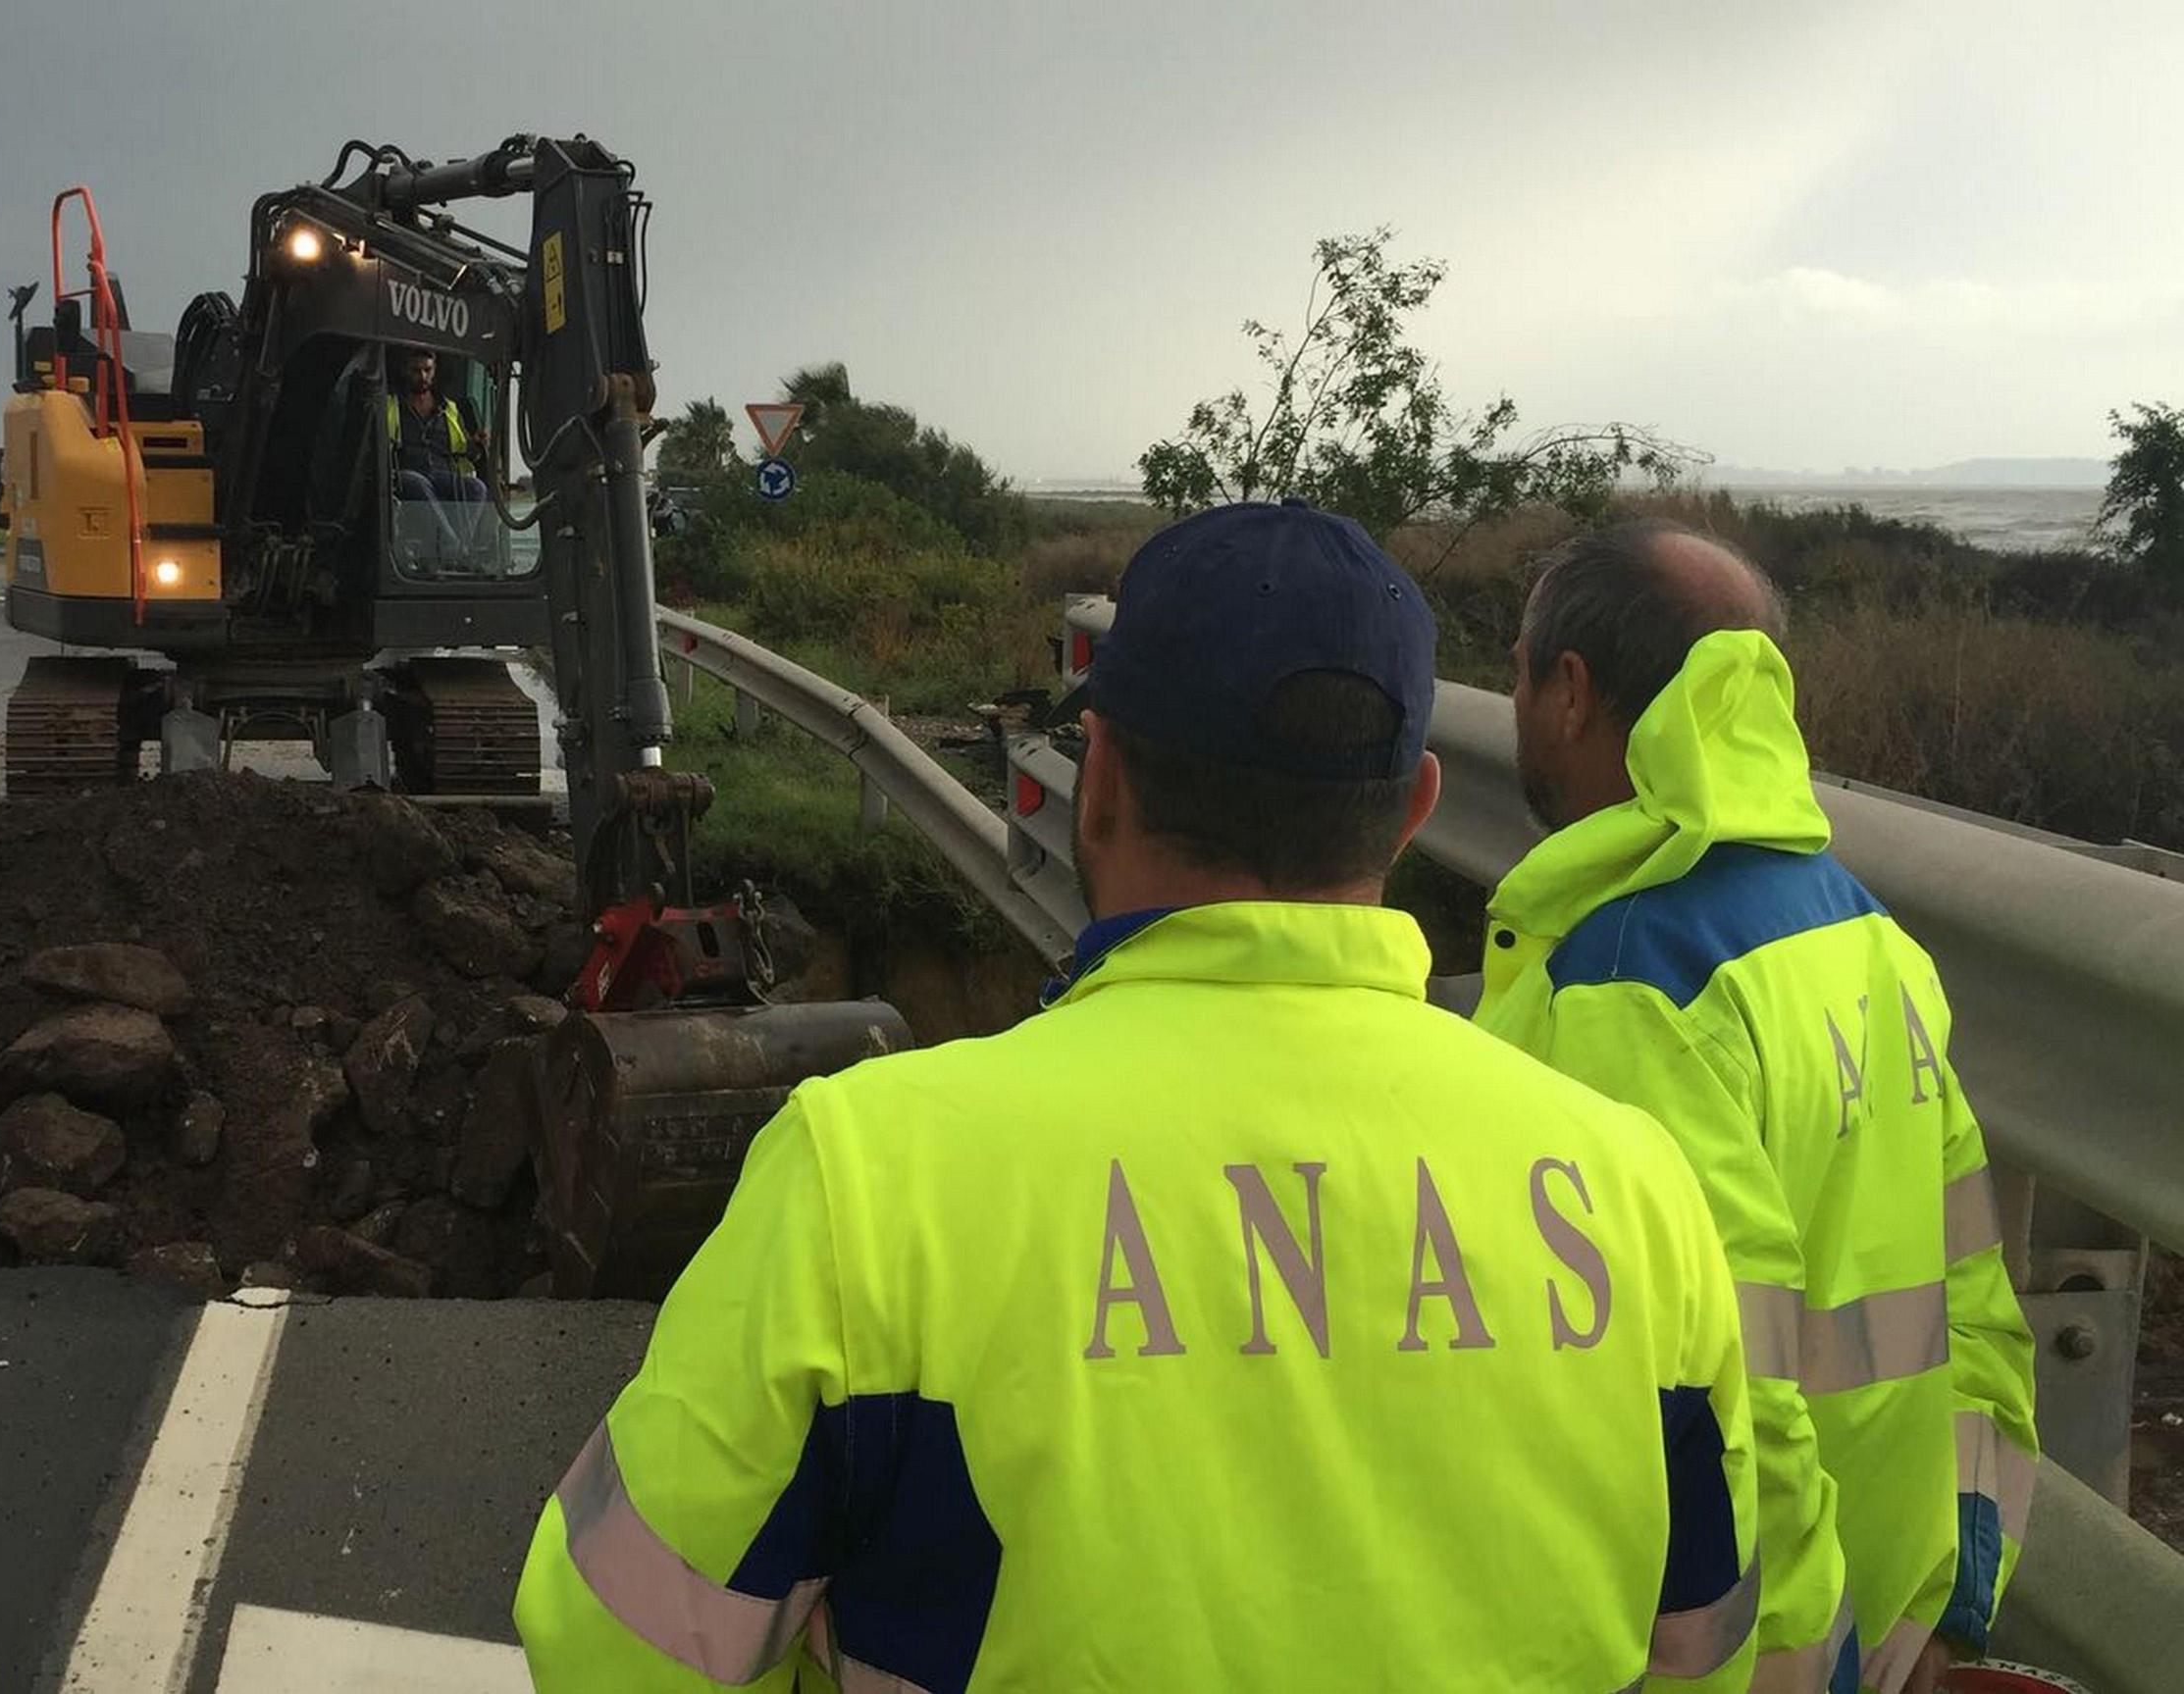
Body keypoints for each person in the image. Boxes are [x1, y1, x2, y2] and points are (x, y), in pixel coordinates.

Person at [515, 501, 1768, 1692]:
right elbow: (1708, 1650)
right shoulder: (1637, 1190)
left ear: (1100, 778)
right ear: (1415, 810)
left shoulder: (870, 1179)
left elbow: (614, 1645)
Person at [1475, 519, 2040, 1693]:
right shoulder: (1869, 939)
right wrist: (1946, 1600)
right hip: (1887, 1622)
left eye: (1518, 671)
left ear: (1570, 691)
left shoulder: (1630, 983)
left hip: (1761, 1655)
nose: (1515, 699)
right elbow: (1978, 1309)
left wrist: (1811, 1662)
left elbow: (1724, 1404)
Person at [386, 347, 487, 507]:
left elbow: (469, 452)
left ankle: (445, 525)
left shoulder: (449, 409)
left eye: (427, 370)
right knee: (417, 483)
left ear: (434, 370)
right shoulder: (391, 406)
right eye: (416, 371)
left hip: (443, 475)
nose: (422, 377)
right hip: (406, 474)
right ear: (405, 371)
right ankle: (442, 525)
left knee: (476, 488)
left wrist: (477, 443)